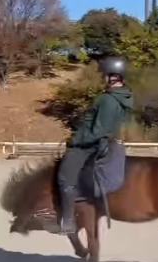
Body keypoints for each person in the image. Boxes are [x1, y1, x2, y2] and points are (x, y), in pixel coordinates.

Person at [55, 56, 134, 235]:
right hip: (108, 140)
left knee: (65, 177)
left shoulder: (107, 100)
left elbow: (98, 131)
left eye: (105, 75)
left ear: (114, 76)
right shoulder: (124, 96)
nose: (103, 78)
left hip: (93, 143)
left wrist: (75, 141)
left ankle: (67, 221)